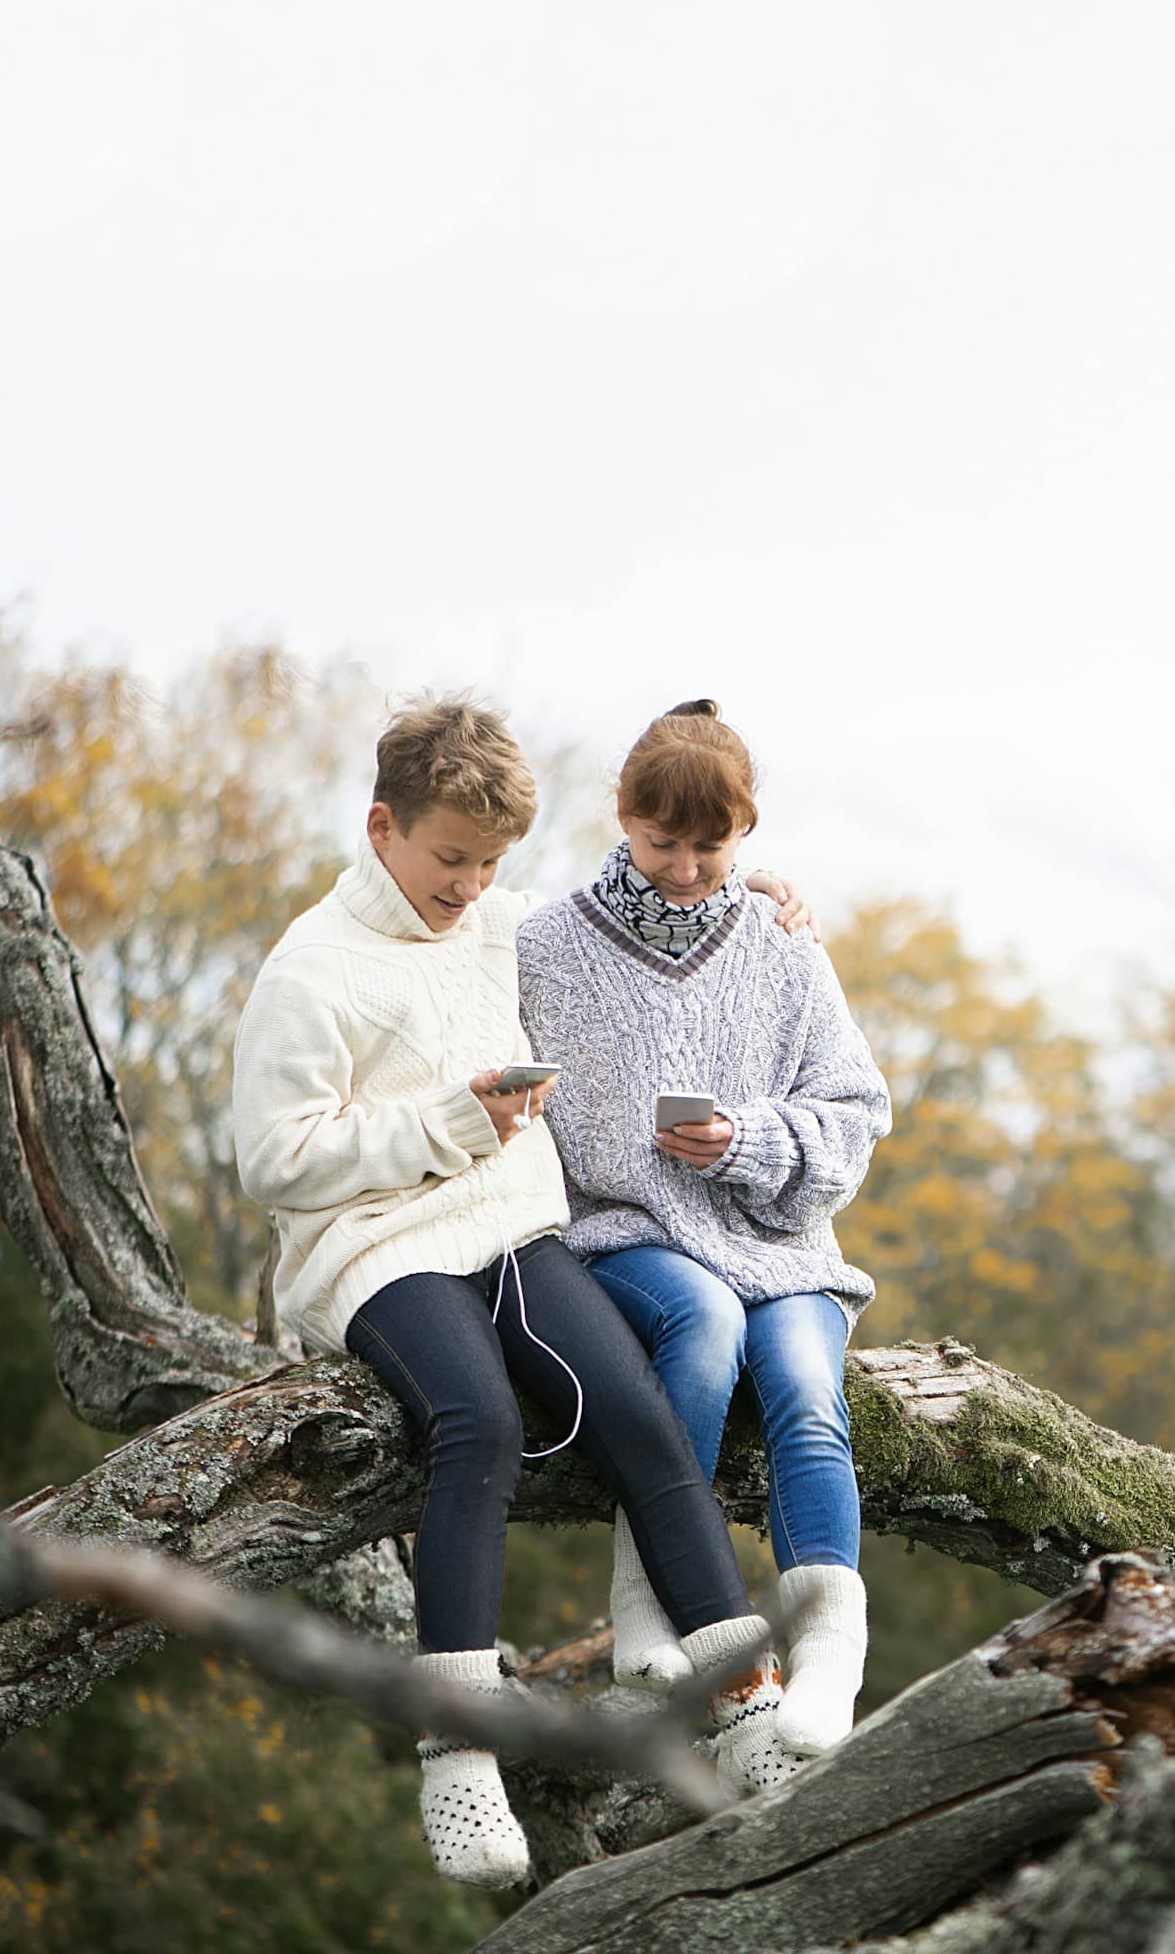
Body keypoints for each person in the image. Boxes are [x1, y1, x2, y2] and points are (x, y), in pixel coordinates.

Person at [232, 697, 800, 1890]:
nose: (469, 882)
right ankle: (459, 1747)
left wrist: (754, 897)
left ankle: (746, 1698)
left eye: (490, 862)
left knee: (636, 1411)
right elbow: (273, 1161)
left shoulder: (500, 923)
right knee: (476, 1421)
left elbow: (633, 917)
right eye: (450, 857)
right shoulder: (310, 966)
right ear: (381, 825)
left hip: (507, 1227)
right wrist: (448, 1119)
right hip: (376, 1247)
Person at [516, 699, 891, 1762]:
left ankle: (827, 1653)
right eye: (661, 840)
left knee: (809, 1398)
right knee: (704, 1318)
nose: (684, 866)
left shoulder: (781, 944)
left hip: (781, 1244)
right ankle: (649, 1596)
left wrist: (745, 1141)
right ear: (621, 818)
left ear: (747, 832)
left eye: (710, 844)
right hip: (627, 1235)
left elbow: (855, 1109)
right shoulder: (544, 943)